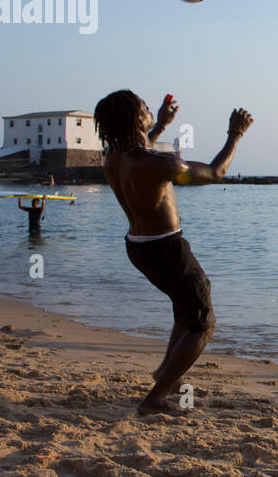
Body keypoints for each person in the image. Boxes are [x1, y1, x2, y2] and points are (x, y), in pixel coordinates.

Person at [94, 89, 253, 415]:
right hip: (167, 248)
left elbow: (140, 150)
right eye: (145, 108)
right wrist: (235, 135)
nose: (150, 109)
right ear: (136, 118)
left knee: (186, 308)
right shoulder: (159, 162)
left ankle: (165, 370)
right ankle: (156, 396)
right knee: (203, 323)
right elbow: (214, 173)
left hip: (138, 247)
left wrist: (160, 127)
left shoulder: (114, 159)